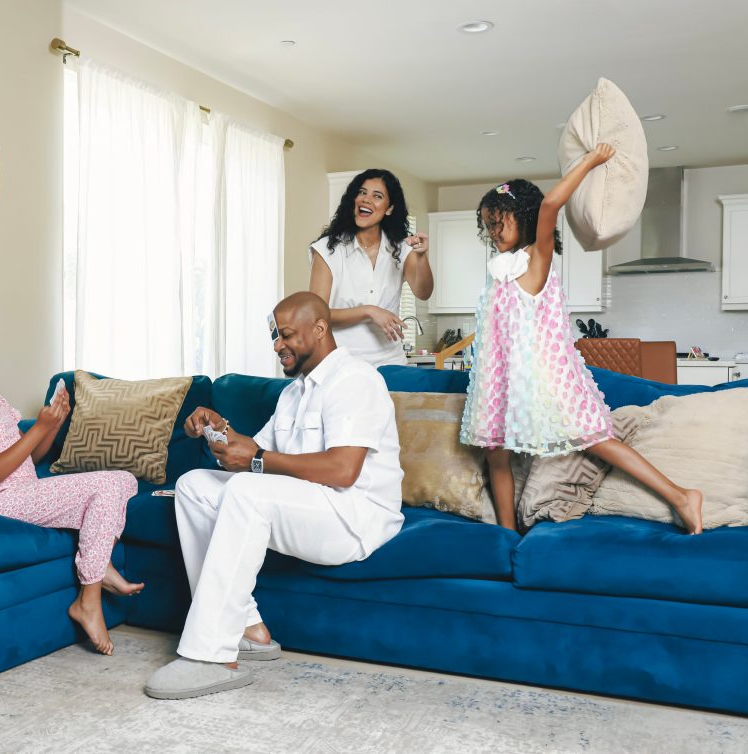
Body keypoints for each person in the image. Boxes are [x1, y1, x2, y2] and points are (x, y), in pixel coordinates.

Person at [144, 292, 404, 699]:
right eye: (274, 336)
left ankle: (211, 655)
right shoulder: (293, 394)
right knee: (194, 485)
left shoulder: (356, 379)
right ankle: (246, 628)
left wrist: (256, 460)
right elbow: (253, 454)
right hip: (310, 503)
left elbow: (342, 470)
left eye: (286, 335)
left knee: (247, 491)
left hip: (353, 517)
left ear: (320, 329)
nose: (277, 345)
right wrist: (218, 427)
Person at [460, 145, 703, 535]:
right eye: (488, 225)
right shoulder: (500, 270)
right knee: (494, 453)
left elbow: (551, 204)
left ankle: (681, 496)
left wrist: (589, 161)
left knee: (593, 439)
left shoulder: (537, 257)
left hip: (545, 377)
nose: (493, 231)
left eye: (500, 221)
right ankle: (506, 535)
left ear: (524, 217)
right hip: (500, 380)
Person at [0, 324, 144, 655]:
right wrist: (40, 427)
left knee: (123, 480)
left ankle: (98, 562)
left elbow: (29, 458)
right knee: (107, 484)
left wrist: (54, 425)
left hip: (24, 491)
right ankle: (88, 599)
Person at [309, 168, 434, 367]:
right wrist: (368, 311)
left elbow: (423, 292)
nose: (366, 199)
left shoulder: (401, 248)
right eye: (362, 192)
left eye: (377, 196)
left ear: (389, 208)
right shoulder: (327, 250)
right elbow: (316, 315)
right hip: (342, 362)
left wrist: (421, 257)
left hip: (391, 364)